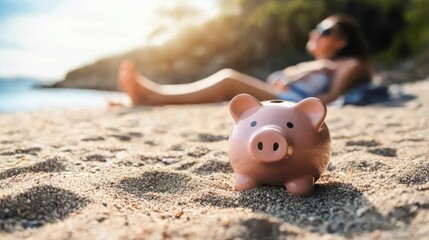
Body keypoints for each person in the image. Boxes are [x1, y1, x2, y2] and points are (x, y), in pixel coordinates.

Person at [118, 14, 373, 106]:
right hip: (282, 93)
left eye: (325, 31)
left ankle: (153, 95)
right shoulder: (317, 64)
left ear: (342, 41)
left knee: (228, 78)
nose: (316, 34)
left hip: (291, 101)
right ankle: (142, 97)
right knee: (226, 85)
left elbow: (331, 98)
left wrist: (301, 106)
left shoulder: (350, 64)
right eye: (316, 29)